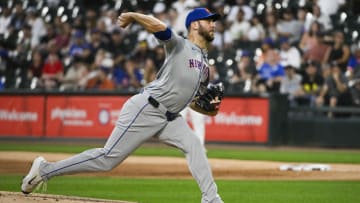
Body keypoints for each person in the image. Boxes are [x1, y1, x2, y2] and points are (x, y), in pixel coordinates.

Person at [21, 8, 224, 203]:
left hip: (170, 117)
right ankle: (45, 169)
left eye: (214, 21)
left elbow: (192, 101)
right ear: (195, 25)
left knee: (194, 145)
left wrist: (209, 109)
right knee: (107, 159)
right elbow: (160, 27)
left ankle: (211, 199)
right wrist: (134, 16)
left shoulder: (205, 64)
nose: (213, 24)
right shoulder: (180, 45)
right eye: (209, 21)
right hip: (147, 108)